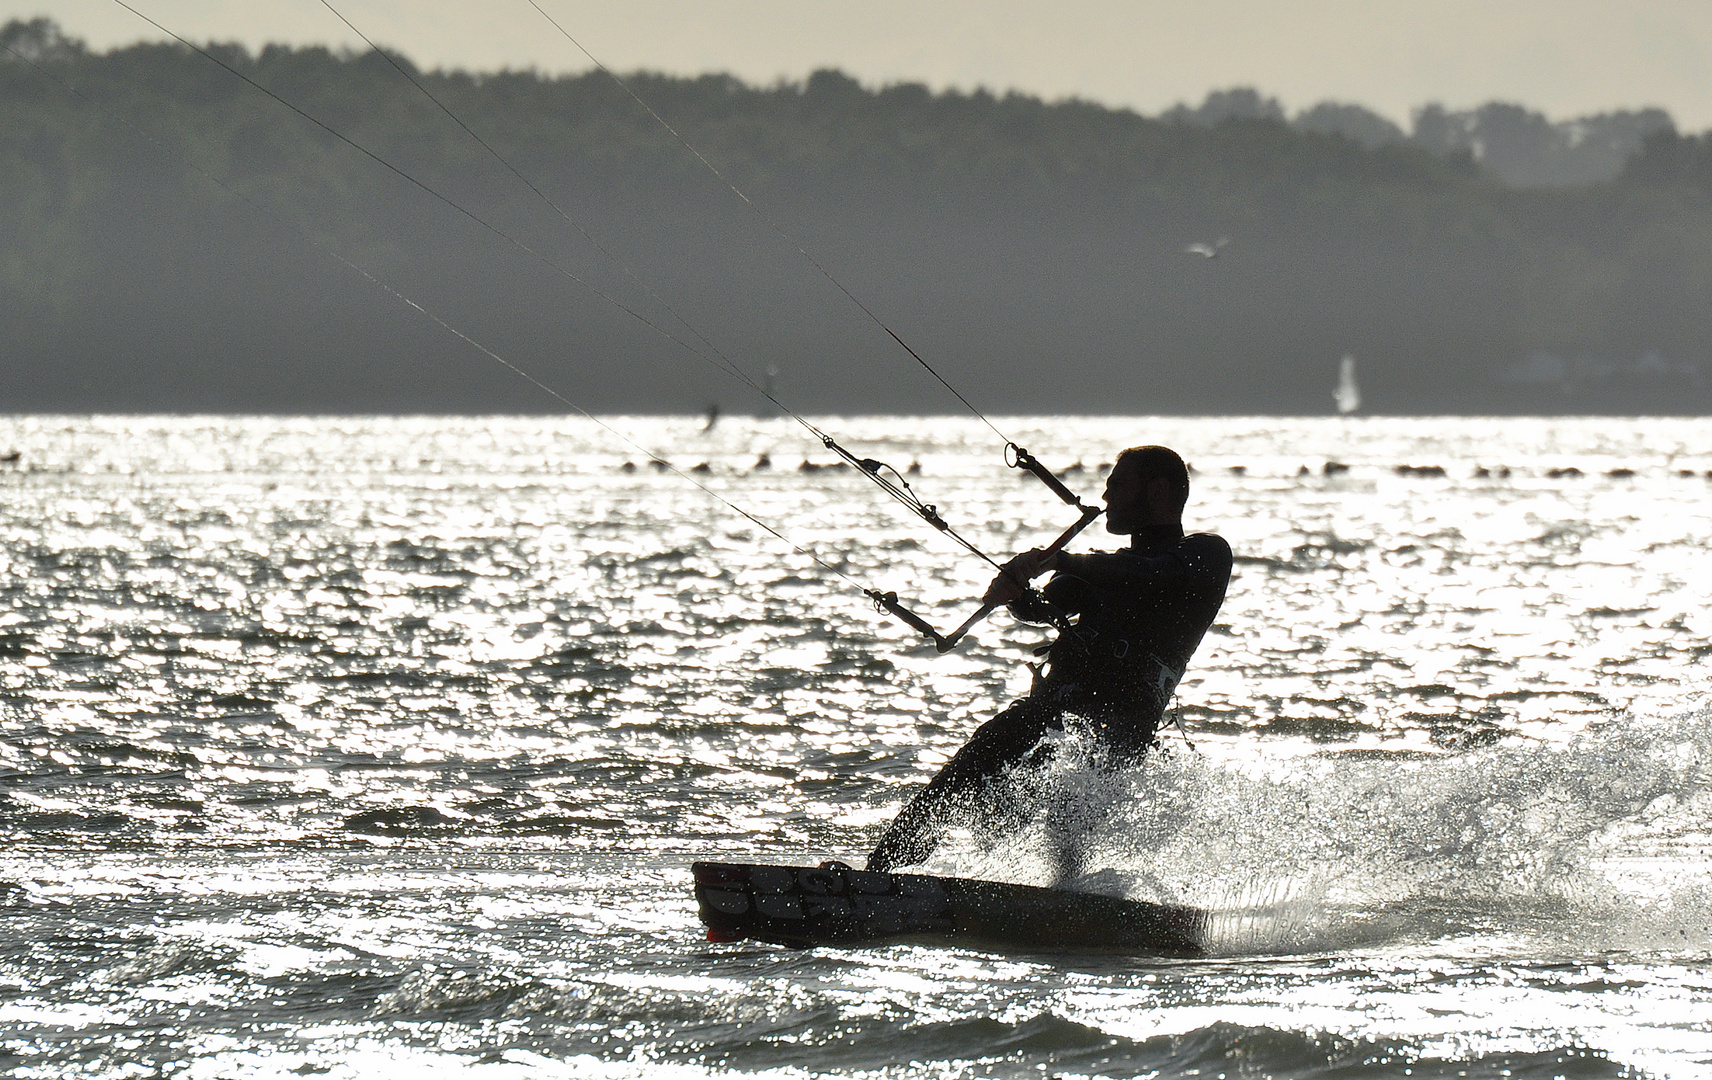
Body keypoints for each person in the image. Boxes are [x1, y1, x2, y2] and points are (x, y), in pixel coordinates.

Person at [866, 445, 1232, 873]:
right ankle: (875, 878)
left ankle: (1068, 896)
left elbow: (1144, 574)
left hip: (1118, 723)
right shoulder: (1101, 567)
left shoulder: (1204, 554)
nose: (1107, 496)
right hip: (1050, 709)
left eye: (1117, 486)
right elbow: (1045, 605)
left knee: (1067, 819)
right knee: (960, 779)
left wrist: (1060, 559)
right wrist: (1015, 592)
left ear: (1157, 491)